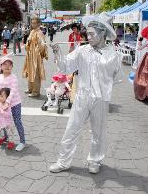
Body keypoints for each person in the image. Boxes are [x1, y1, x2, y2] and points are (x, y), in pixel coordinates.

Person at [49, 13, 123, 174]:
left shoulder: (113, 54)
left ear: (103, 34)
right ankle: (63, 161)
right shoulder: (82, 50)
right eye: (87, 33)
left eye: (92, 34)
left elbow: (118, 77)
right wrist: (57, 53)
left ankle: (95, 160)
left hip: (101, 98)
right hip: (82, 95)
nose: (88, 36)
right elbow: (66, 67)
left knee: (98, 131)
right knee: (71, 128)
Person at [0, 57, 26, 151]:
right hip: (2, 104)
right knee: (2, 121)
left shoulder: (13, 77)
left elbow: (12, 91)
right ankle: (5, 137)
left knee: (17, 121)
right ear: (1, 66)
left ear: (12, 66)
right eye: (5, 64)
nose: (7, 66)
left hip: (15, 103)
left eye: (10, 64)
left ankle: (22, 141)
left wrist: (7, 102)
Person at [22, 17, 48, 97]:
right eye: (32, 23)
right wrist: (27, 44)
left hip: (36, 56)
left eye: (34, 23)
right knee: (30, 72)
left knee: (35, 73)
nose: (33, 24)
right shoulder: (32, 31)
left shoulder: (39, 32)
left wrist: (39, 53)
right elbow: (28, 42)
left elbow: (42, 45)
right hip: (30, 54)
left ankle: (36, 91)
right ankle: (30, 88)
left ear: (39, 24)